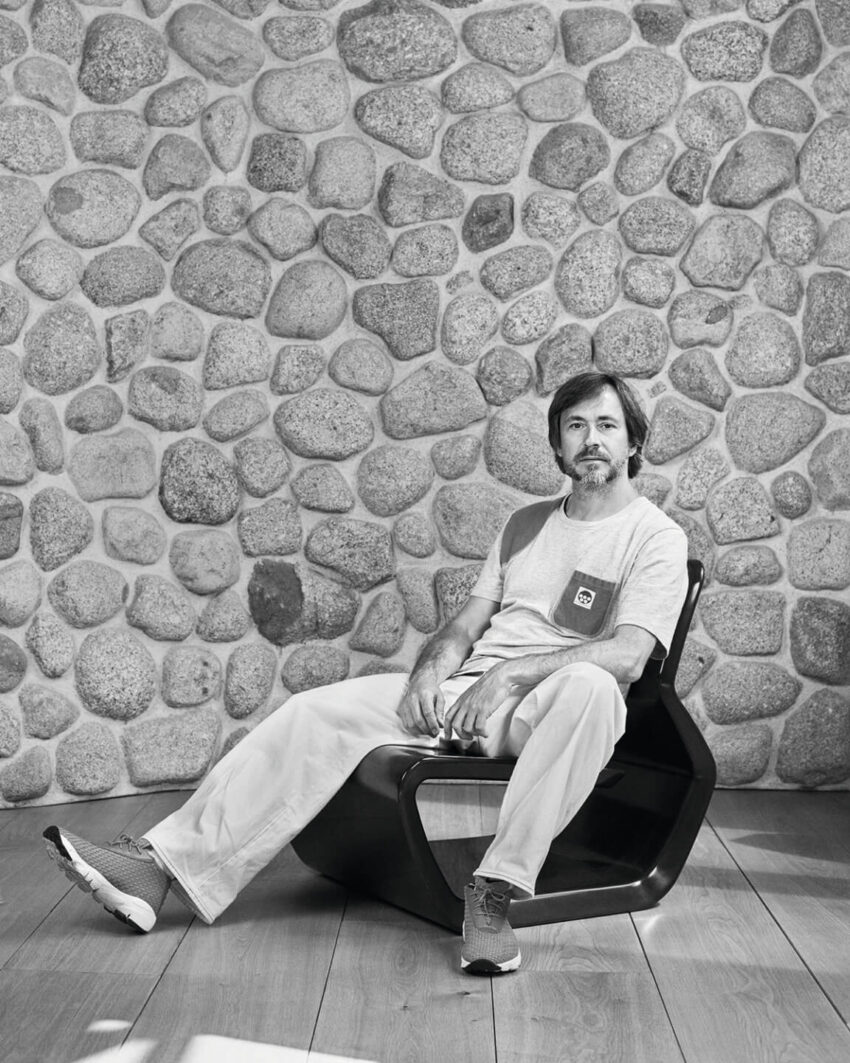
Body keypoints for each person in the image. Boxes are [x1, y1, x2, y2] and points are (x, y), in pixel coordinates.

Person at [44, 370, 687, 975]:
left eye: (606, 425)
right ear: (557, 443)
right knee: (312, 711)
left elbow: (629, 654)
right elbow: (464, 627)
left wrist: (512, 677)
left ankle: (494, 893)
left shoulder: (653, 537)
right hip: (465, 697)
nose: (591, 438)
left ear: (633, 441)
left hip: (544, 709)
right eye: (575, 425)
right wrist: (429, 677)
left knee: (595, 688)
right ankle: (162, 869)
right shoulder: (526, 525)